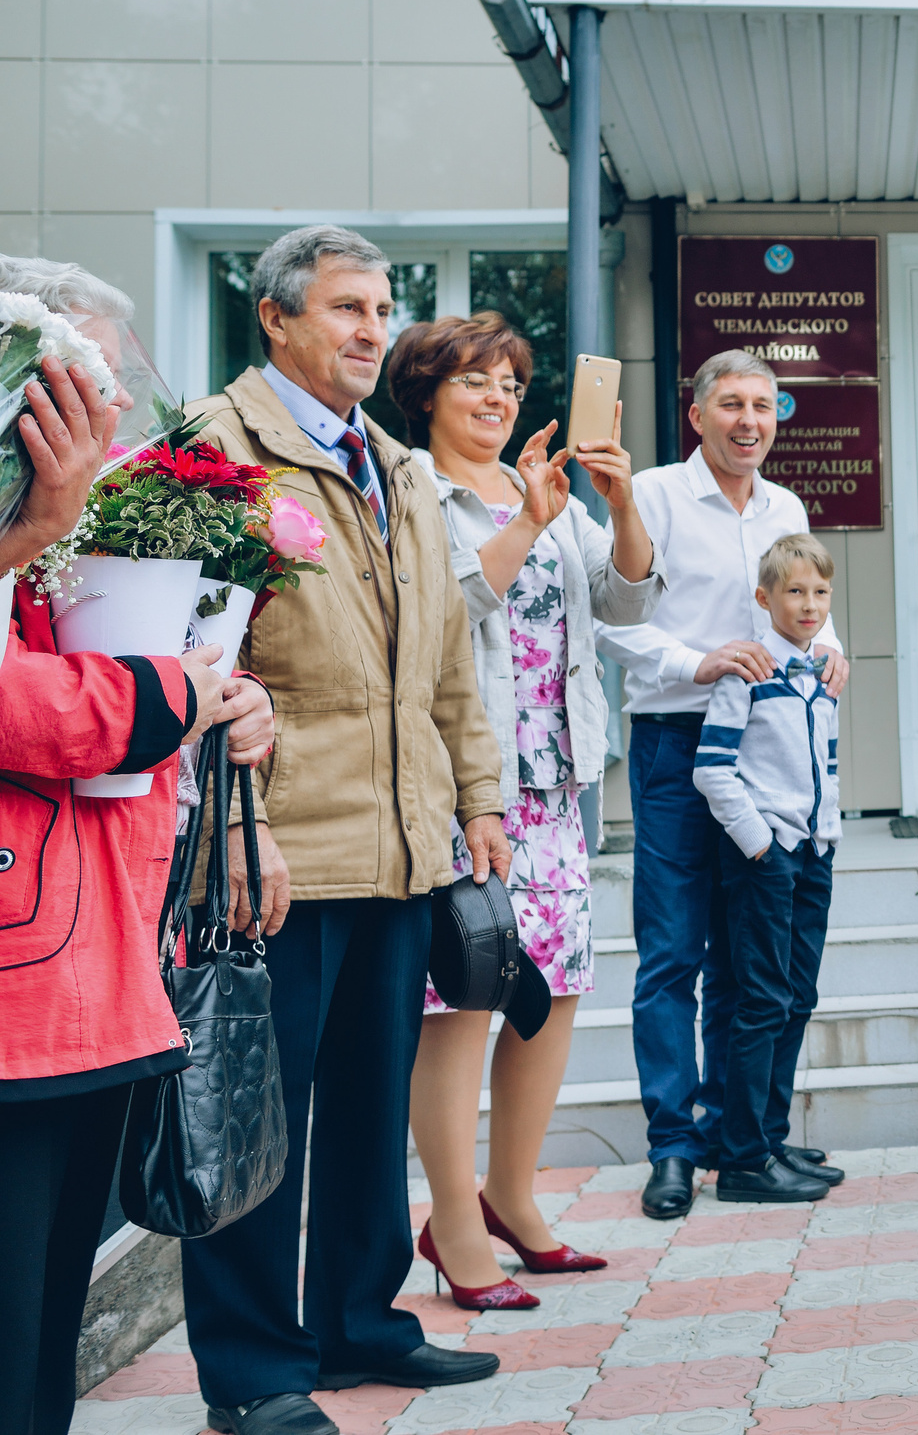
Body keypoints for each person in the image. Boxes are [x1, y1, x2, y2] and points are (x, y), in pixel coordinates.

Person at [182, 226, 509, 1435]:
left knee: (372, 1102)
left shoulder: (395, 465)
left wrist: (477, 796)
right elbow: (188, 663)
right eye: (345, 308)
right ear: (275, 319)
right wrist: (232, 827)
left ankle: (359, 1324)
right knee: (260, 1117)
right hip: (275, 852)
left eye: (383, 307)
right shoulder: (212, 457)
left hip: (403, 843)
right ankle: (254, 1366)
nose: (373, 329)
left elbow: (449, 668)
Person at [0, 264, 275, 1435]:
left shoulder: (65, 540)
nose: (109, 431)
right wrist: (169, 691)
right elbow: (39, 703)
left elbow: (126, 682)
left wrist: (230, 703)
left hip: (101, 970)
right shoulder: (33, 534)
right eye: (78, 396)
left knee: (46, 1321)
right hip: (25, 986)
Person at [387, 313, 663, 1308]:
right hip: (469, 787)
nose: (499, 398)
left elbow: (627, 602)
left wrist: (618, 502)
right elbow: (440, 618)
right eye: (474, 380)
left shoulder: (537, 489)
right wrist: (529, 523)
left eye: (509, 381)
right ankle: (454, 1218)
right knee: (463, 993)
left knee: (555, 990)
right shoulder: (410, 488)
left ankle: (512, 1192)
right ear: (425, 394)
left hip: (557, 782)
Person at [597, 351, 849, 1220]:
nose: (750, 420)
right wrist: (693, 660)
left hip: (769, 755)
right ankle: (674, 1146)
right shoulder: (655, 494)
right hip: (675, 739)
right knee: (673, 952)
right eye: (731, 404)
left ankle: (744, 1131)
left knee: (753, 958)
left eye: (763, 406)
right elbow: (611, 616)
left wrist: (833, 646)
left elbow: (799, 594)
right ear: (696, 413)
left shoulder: (784, 505)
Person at [692, 532, 842, 1203]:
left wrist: (828, 834)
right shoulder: (750, 673)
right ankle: (744, 1157)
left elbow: (826, 766)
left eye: (819, 592)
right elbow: (713, 772)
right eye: (794, 591)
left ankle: (771, 1137)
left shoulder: (822, 674)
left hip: (813, 852)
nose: (808, 604)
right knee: (761, 1000)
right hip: (764, 856)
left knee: (798, 996)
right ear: (765, 598)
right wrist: (761, 846)